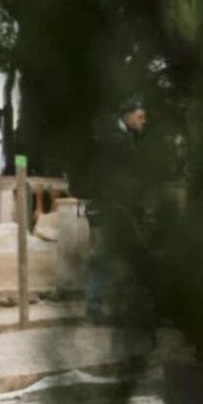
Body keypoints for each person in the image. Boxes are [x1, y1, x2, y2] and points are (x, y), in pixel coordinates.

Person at [86, 97, 145, 321]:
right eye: (140, 117)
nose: (143, 121)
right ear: (127, 115)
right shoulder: (117, 140)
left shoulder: (118, 137)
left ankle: (102, 306)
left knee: (107, 256)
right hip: (116, 208)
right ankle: (98, 307)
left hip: (115, 207)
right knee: (121, 256)